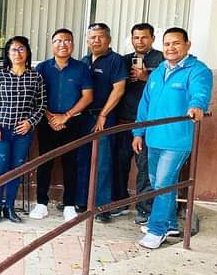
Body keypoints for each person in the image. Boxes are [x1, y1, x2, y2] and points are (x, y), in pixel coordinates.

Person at [133, 27, 212, 249]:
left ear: (187, 44)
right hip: (153, 138)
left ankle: (157, 230)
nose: (171, 48)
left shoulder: (197, 70)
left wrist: (197, 105)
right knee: (159, 183)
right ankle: (170, 224)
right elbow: (145, 104)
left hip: (177, 140)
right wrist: (138, 132)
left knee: (163, 184)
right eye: (167, 44)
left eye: (176, 43)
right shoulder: (158, 71)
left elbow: (200, 92)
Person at [31, 29, 93, 222]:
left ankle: (69, 205)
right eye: (58, 41)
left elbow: (88, 96)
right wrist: (51, 117)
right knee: (45, 162)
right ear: (52, 44)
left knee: (71, 163)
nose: (62, 44)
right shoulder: (42, 68)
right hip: (47, 121)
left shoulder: (81, 68)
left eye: (67, 41)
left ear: (72, 44)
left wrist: (65, 117)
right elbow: (35, 96)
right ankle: (41, 203)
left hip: (73, 122)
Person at [0, 36, 46, 223]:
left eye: (21, 49)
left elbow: (41, 105)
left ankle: (9, 207)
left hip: (22, 133)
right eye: (13, 49)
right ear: (7, 53)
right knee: (0, 169)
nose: (17, 53)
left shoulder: (35, 77)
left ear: (27, 52)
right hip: (1, 131)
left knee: (16, 170)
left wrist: (30, 123)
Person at [112, 23, 164, 225]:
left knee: (145, 167)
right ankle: (120, 202)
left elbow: (164, 86)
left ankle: (144, 209)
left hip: (147, 125)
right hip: (123, 121)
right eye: (136, 37)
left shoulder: (161, 60)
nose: (140, 41)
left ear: (152, 38)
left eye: (144, 37)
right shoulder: (124, 60)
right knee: (119, 164)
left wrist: (146, 76)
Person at [76, 23, 127, 223]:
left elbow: (119, 89)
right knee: (82, 159)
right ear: (87, 40)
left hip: (104, 118)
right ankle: (82, 201)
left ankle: (101, 207)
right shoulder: (84, 61)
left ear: (109, 39)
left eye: (100, 37)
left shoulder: (116, 60)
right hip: (83, 117)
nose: (96, 41)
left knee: (103, 162)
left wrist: (103, 114)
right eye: (92, 37)